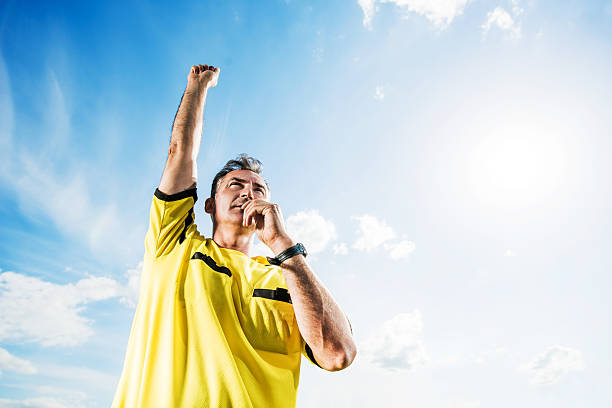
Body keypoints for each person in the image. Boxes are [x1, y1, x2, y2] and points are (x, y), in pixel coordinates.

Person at [111, 64, 356, 407]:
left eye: (258, 188)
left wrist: (284, 247)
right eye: (235, 185)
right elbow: (180, 152)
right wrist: (197, 87)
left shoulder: (287, 278)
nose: (247, 192)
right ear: (209, 205)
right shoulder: (174, 245)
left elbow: (338, 354)